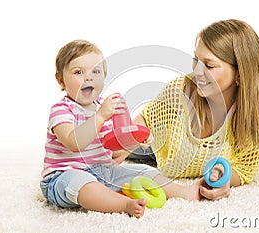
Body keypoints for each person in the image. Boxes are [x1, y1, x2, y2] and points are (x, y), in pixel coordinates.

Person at [40, 39, 200, 219]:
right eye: (78, 72)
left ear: (104, 76)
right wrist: (100, 116)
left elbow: (115, 151)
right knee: (82, 184)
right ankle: (123, 204)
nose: (88, 77)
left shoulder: (104, 106)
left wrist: (135, 140)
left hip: (104, 171)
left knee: (144, 172)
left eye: (96, 71)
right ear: (61, 80)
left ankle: (186, 192)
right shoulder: (61, 110)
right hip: (64, 176)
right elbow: (73, 142)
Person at [127, 19, 259, 200]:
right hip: (156, 150)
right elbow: (146, 118)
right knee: (103, 145)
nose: (197, 71)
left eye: (209, 65)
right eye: (196, 60)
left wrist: (223, 176)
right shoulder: (181, 90)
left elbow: (243, 168)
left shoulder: (253, 116)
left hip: (192, 161)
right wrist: (127, 139)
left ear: (240, 75)